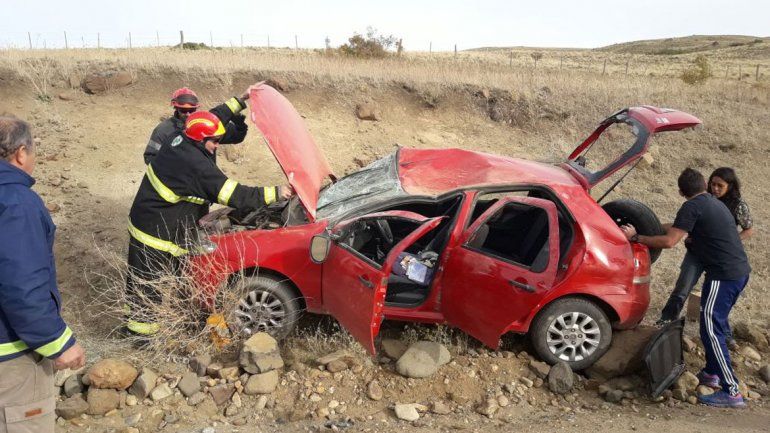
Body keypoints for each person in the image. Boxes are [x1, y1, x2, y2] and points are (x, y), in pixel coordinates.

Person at [126, 110, 293, 337]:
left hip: (163, 221)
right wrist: (277, 192)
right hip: (154, 232)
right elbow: (234, 195)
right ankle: (141, 337)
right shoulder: (194, 164)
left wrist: (238, 101)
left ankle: (159, 319)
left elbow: (209, 115)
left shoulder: (180, 138)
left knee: (166, 278)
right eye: (213, 141)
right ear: (200, 139)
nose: (217, 146)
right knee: (147, 285)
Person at [621, 168, 751, 408]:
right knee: (714, 325)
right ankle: (712, 372)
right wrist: (650, 225)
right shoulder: (712, 203)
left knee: (711, 330)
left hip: (725, 276)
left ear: (681, 192)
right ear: (704, 184)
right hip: (738, 272)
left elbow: (670, 241)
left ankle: (732, 391)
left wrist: (636, 237)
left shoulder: (692, 206)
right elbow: (678, 226)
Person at [0, 116, 86, 432]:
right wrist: (56, 342)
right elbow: (21, 284)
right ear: (21, 153)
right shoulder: (16, 203)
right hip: (11, 359)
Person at [657, 167, 753, 346]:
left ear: (730, 186)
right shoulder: (701, 199)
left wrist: (731, 241)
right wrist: (653, 224)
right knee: (682, 288)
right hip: (696, 254)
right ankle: (666, 320)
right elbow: (682, 226)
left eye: (720, 186)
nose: (715, 188)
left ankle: (724, 334)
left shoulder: (737, 205)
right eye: (712, 184)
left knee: (717, 303)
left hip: (719, 258)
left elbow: (749, 229)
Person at [142, 87, 249, 164]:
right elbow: (150, 157)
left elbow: (236, 137)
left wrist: (240, 124)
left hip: (205, 180)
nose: (188, 114)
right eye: (183, 110)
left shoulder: (206, 125)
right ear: (176, 108)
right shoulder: (163, 130)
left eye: (191, 110)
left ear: (196, 108)